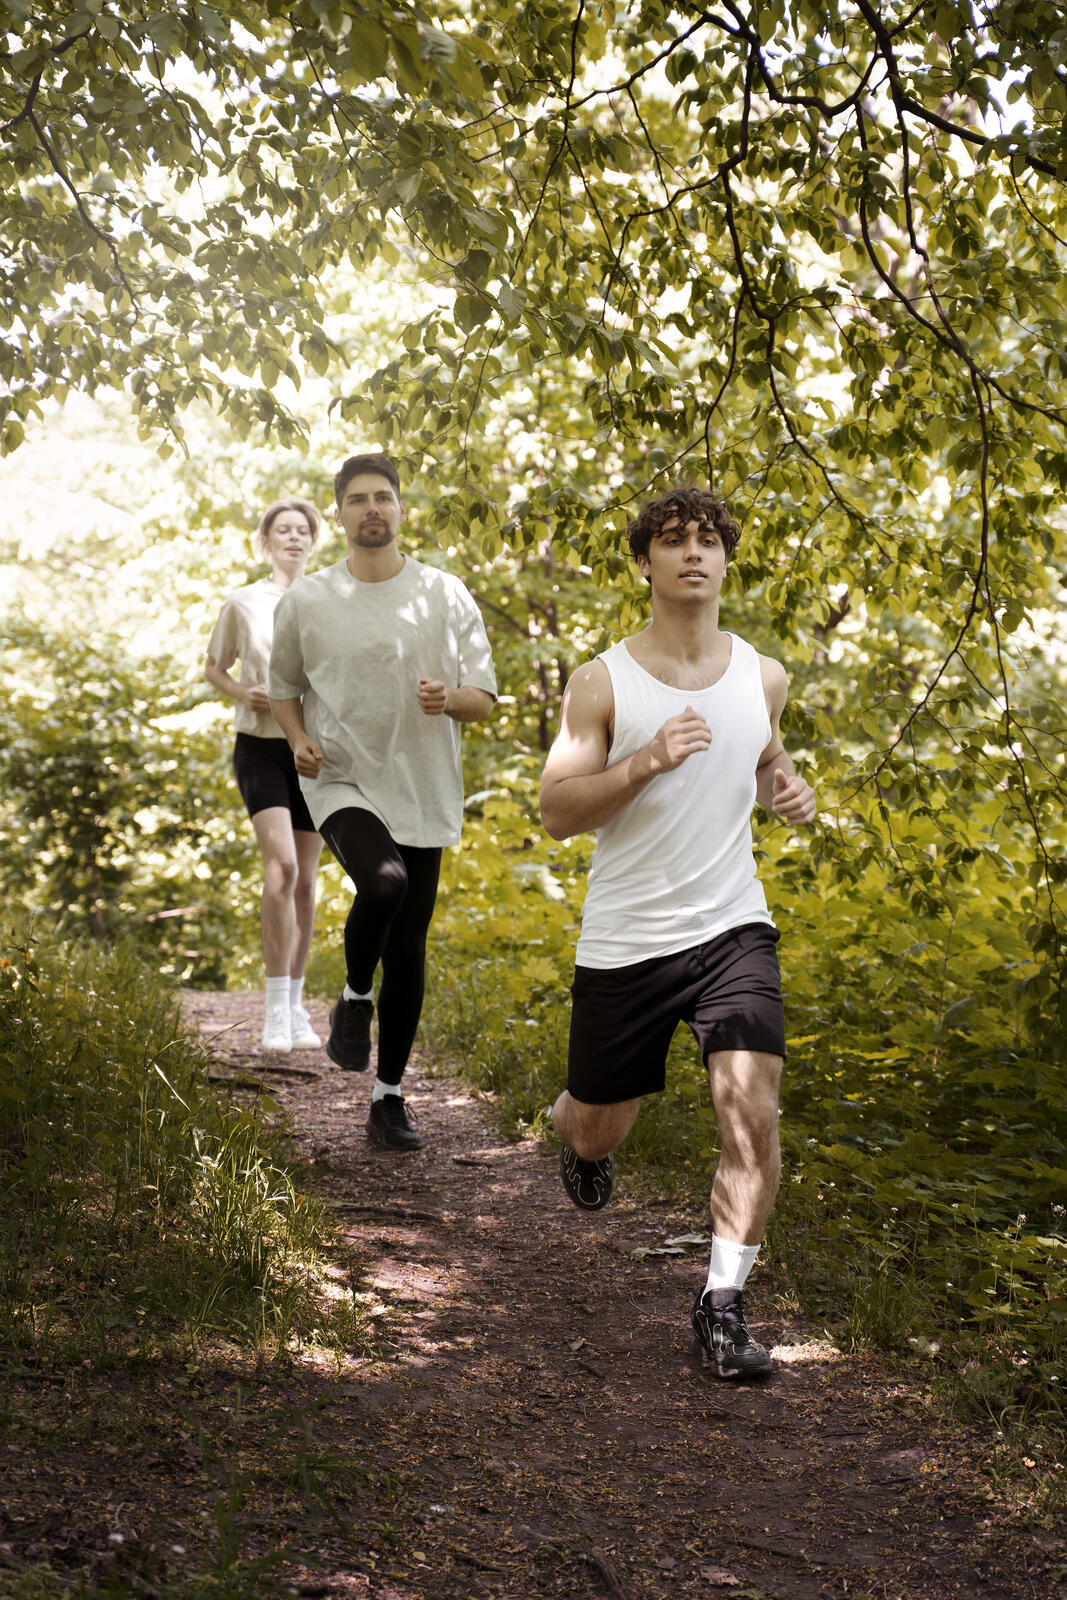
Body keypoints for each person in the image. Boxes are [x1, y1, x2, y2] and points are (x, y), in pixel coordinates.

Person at [539, 485, 816, 1380]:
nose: (692, 553)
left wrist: (787, 785)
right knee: (598, 1127)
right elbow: (555, 811)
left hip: (733, 927)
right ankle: (573, 1130)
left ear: (726, 558)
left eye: (707, 540)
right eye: (672, 540)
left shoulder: (763, 674)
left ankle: (722, 1306)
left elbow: (763, 752)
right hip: (626, 940)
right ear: (646, 562)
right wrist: (646, 759)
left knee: (751, 1110)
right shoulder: (602, 680)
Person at [267, 451, 497, 1152]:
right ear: (337, 513)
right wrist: (298, 738)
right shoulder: (306, 600)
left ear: (400, 510)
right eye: (358, 499)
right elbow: (283, 689)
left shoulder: (445, 593)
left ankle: (388, 1098)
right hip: (339, 779)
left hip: (423, 785)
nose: (372, 509)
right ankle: (354, 994)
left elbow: (483, 701)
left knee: (411, 945)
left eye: (384, 498)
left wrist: (447, 698)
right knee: (384, 882)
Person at [204, 497, 325, 1054]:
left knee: (304, 881)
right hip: (259, 747)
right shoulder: (243, 603)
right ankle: (275, 1009)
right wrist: (240, 691)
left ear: (313, 540)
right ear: (267, 540)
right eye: (284, 530)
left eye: (303, 530)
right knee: (279, 868)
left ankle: (297, 1005)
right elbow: (213, 667)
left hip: (313, 753)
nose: (294, 538)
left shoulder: (329, 598)